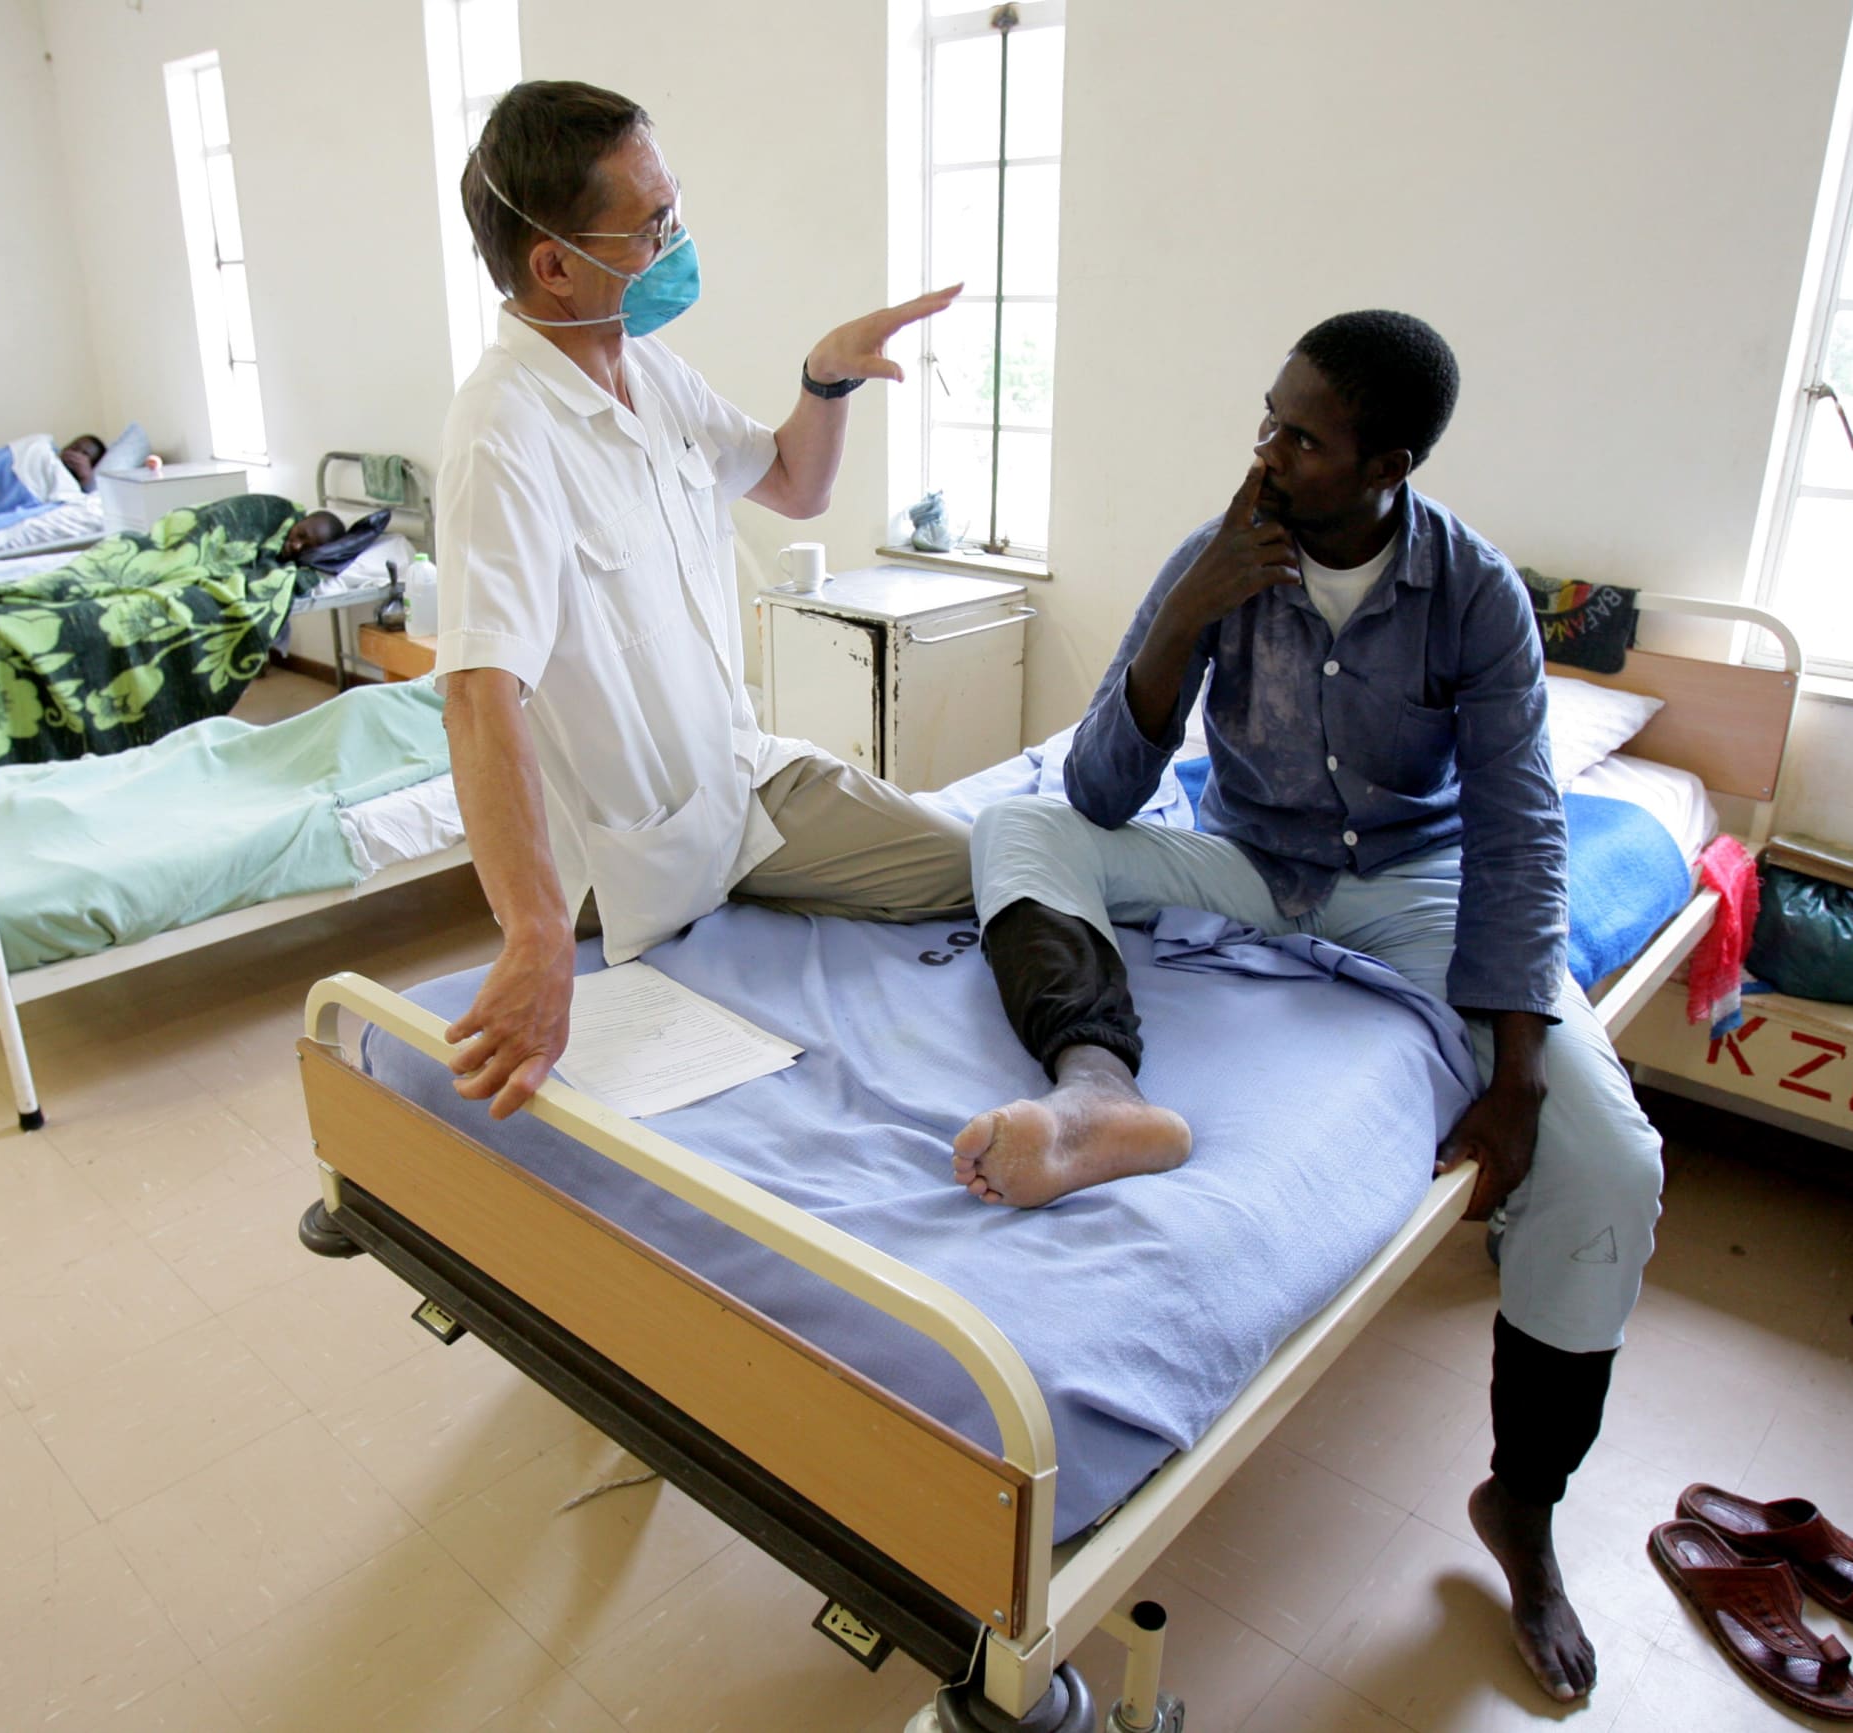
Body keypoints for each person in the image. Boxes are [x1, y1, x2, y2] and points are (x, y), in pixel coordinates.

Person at [953, 311, 1663, 1704]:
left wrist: (1515, 1075)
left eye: (1302, 437)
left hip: (1416, 888)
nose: (1267, 455)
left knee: (1613, 1163)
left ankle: (1524, 1502)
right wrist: (1183, 616)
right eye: (1265, 421)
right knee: (1016, 833)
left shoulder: (1474, 596)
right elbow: (1096, 794)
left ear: (1388, 463)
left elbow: (1524, 833)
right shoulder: (1223, 551)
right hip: (1241, 858)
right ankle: (1098, 1083)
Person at [434, 80, 976, 1118]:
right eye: (651, 227)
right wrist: (534, 932)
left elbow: (792, 483)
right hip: (639, 866)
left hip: (740, 788)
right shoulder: (501, 433)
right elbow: (475, 695)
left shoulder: (648, 369)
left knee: (977, 863)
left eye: (672, 207)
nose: (677, 241)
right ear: (553, 265)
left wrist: (823, 381)